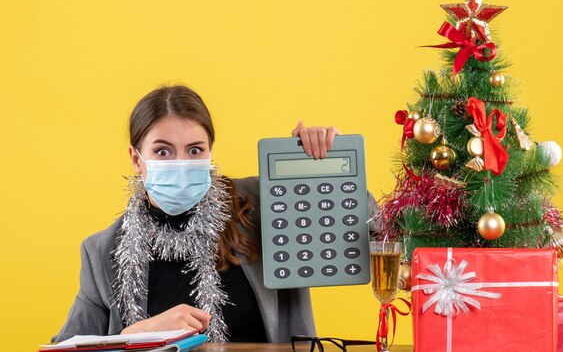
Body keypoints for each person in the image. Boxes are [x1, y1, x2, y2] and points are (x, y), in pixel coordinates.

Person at [52, 85, 351, 343]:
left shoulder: (264, 205)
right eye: (163, 151)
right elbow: (65, 345)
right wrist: (138, 336)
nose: (181, 163)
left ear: (210, 152)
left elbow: (372, 232)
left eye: (195, 150)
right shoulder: (102, 252)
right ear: (136, 159)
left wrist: (323, 166)